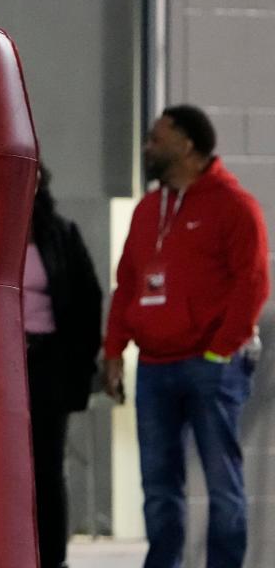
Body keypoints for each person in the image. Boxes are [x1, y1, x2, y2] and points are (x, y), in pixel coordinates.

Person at [103, 105, 270, 568]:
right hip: (155, 366)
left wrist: (220, 350)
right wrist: (113, 350)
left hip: (211, 366)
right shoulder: (147, 209)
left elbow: (252, 283)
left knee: (223, 485)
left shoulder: (233, 205)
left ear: (187, 144)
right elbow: (128, 284)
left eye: (157, 139)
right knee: (158, 486)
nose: (147, 148)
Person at [24, 162, 103, 568]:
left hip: (47, 365)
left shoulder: (60, 234)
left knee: (47, 469)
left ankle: (52, 559)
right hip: (0, 366)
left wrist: (81, 368)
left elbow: (88, 302)